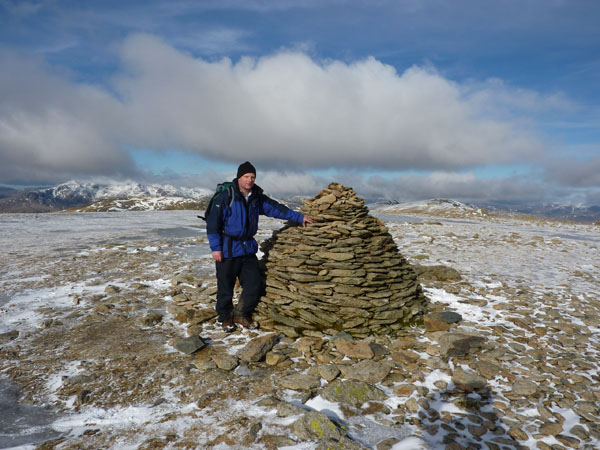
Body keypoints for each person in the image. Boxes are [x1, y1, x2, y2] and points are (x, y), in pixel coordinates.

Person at [206, 161, 313, 332]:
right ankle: (225, 318)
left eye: (252, 177)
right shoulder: (227, 196)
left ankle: (241, 313)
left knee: (253, 283)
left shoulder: (256, 197)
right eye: (246, 176)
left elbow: (277, 209)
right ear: (239, 177)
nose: (250, 180)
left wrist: (299, 217)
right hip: (227, 249)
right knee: (225, 286)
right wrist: (216, 248)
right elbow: (213, 224)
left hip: (247, 248)